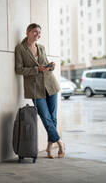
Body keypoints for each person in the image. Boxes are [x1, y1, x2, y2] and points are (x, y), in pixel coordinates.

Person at [15, 23, 65, 158]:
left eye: (39, 32)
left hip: (51, 85)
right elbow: (19, 69)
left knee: (52, 118)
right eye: (35, 32)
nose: (38, 34)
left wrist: (51, 66)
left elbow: (45, 63)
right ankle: (60, 143)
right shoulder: (20, 49)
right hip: (35, 88)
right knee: (45, 117)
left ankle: (49, 148)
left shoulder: (41, 47)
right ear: (28, 32)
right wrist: (37, 69)